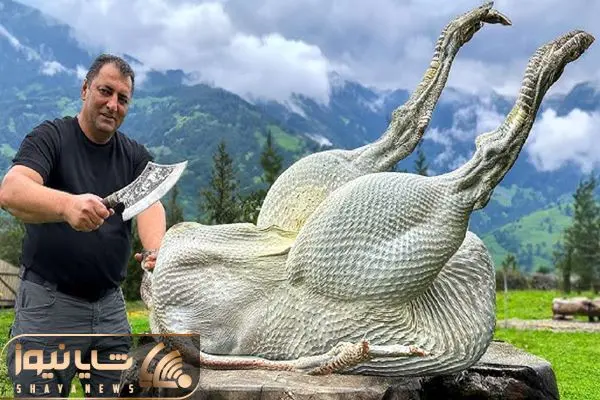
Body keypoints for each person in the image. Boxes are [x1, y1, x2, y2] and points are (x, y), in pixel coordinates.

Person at [0, 54, 166, 397]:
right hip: (48, 306)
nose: (113, 104)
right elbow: (11, 191)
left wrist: (155, 250)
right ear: (85, 89)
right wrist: (67, 205)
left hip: (110, 308)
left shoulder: (133, 155)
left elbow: (150, 201)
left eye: (123, 99)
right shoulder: (50, 137)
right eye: (105, 91)